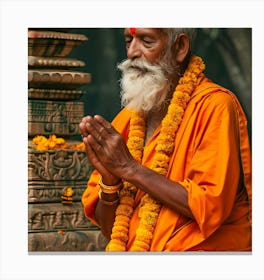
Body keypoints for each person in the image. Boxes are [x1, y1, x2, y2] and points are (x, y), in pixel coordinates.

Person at [79, 28, 252, 252]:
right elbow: (110, 230)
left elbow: (210, 206)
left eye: (146, 41)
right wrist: (110, 180)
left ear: (179, 47)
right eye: (129, 40)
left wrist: (130, 169)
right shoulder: (128, 119)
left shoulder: (215, 107)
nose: (132, 52)